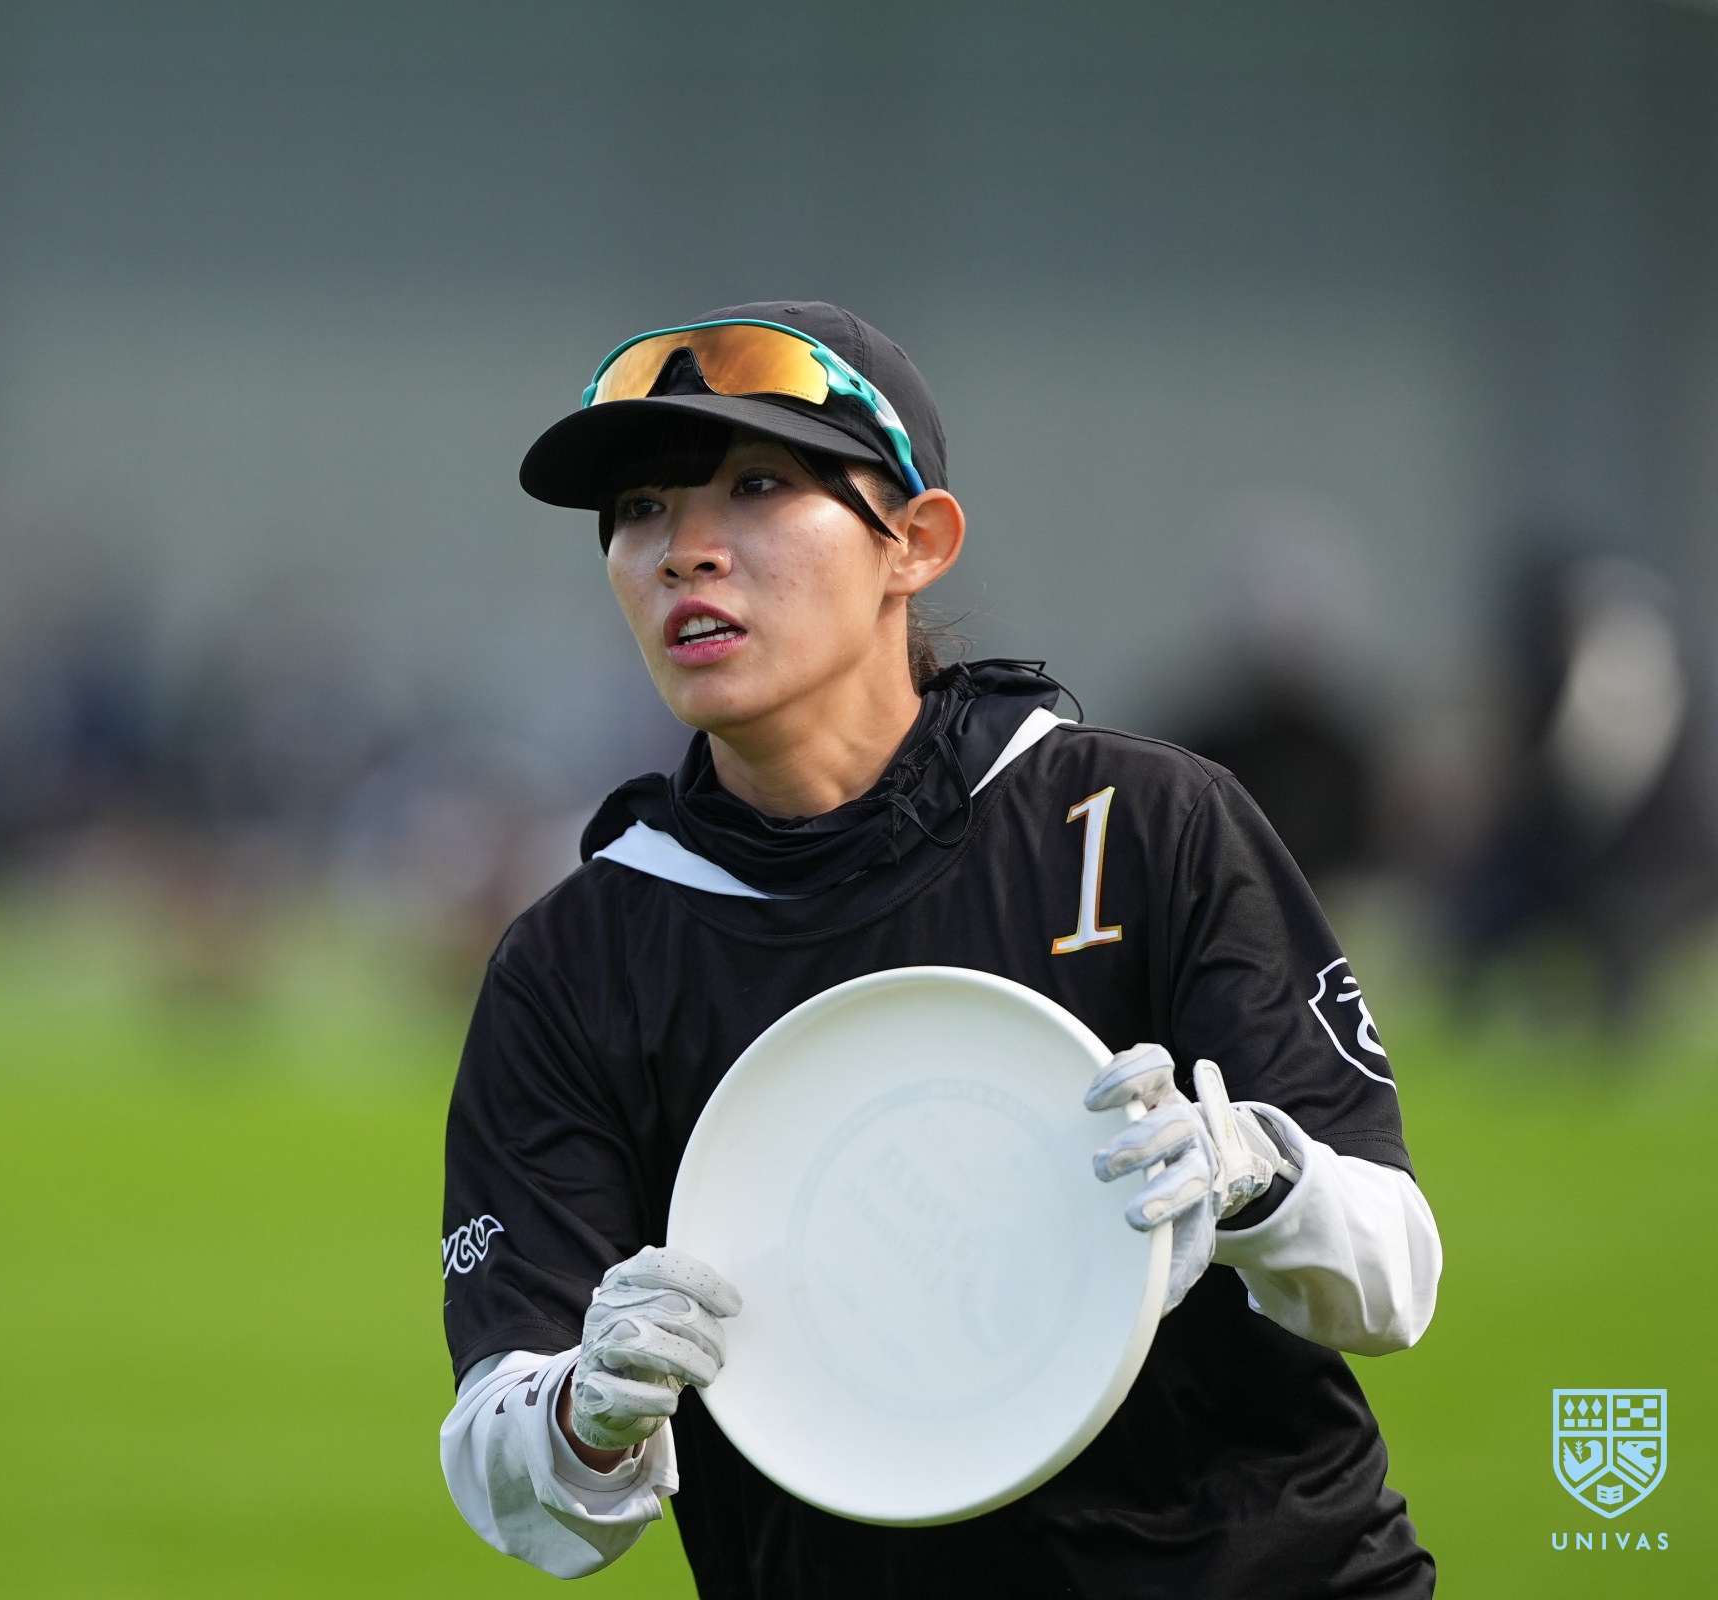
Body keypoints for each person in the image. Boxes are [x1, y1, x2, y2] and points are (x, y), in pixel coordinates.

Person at [437, 303, 1442, 1597]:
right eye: (640, 509)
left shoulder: (1140, 824)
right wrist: (586, 1410)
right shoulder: (578, 957)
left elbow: (1394, 1279)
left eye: (758, 486)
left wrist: (1259, 1179)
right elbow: (517, 1487)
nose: (686, 549)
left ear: (916, 541)